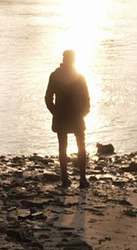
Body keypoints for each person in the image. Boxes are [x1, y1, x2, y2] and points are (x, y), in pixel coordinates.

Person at [45, 50, 90, 188]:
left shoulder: (55, 75)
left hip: (62, 116)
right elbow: (86, 98)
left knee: (62, 147)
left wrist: (55, 112)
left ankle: (65, 179)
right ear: (74, 60)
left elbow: (48, 98)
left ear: (64, 60)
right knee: (81, 147)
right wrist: (84, 112)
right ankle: (82, 179)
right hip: (76, 116)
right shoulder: (79, 77)